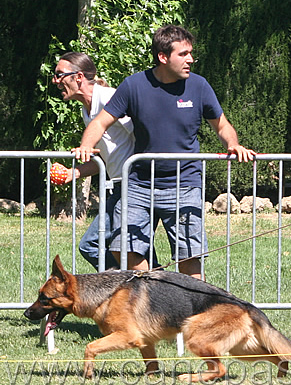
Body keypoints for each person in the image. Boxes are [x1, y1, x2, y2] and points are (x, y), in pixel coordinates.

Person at [74, 25, 256, 280]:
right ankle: (155, 302)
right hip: (138, 184)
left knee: (190, 257)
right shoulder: (134, 85)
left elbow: (223, 125)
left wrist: (232, 144)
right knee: (125, 250)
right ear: (163, 57)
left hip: (185, 184)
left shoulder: (199, 86)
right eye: (183, 54)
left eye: (190, 53)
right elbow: (99, 123)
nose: (190, 59)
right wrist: (86, 146)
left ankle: (192, 315)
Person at [51, 52, 134, 270]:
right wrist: (74, 173)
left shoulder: (109, 98)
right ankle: (134, 285)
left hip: (134, 185)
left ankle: (132, 286)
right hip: (119, 186)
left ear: (78, 77)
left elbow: (142, 134)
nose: (55, 81)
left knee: (102, 246)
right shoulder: (86, 111)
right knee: (127, 250)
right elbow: (103, 159)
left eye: (59, 75)